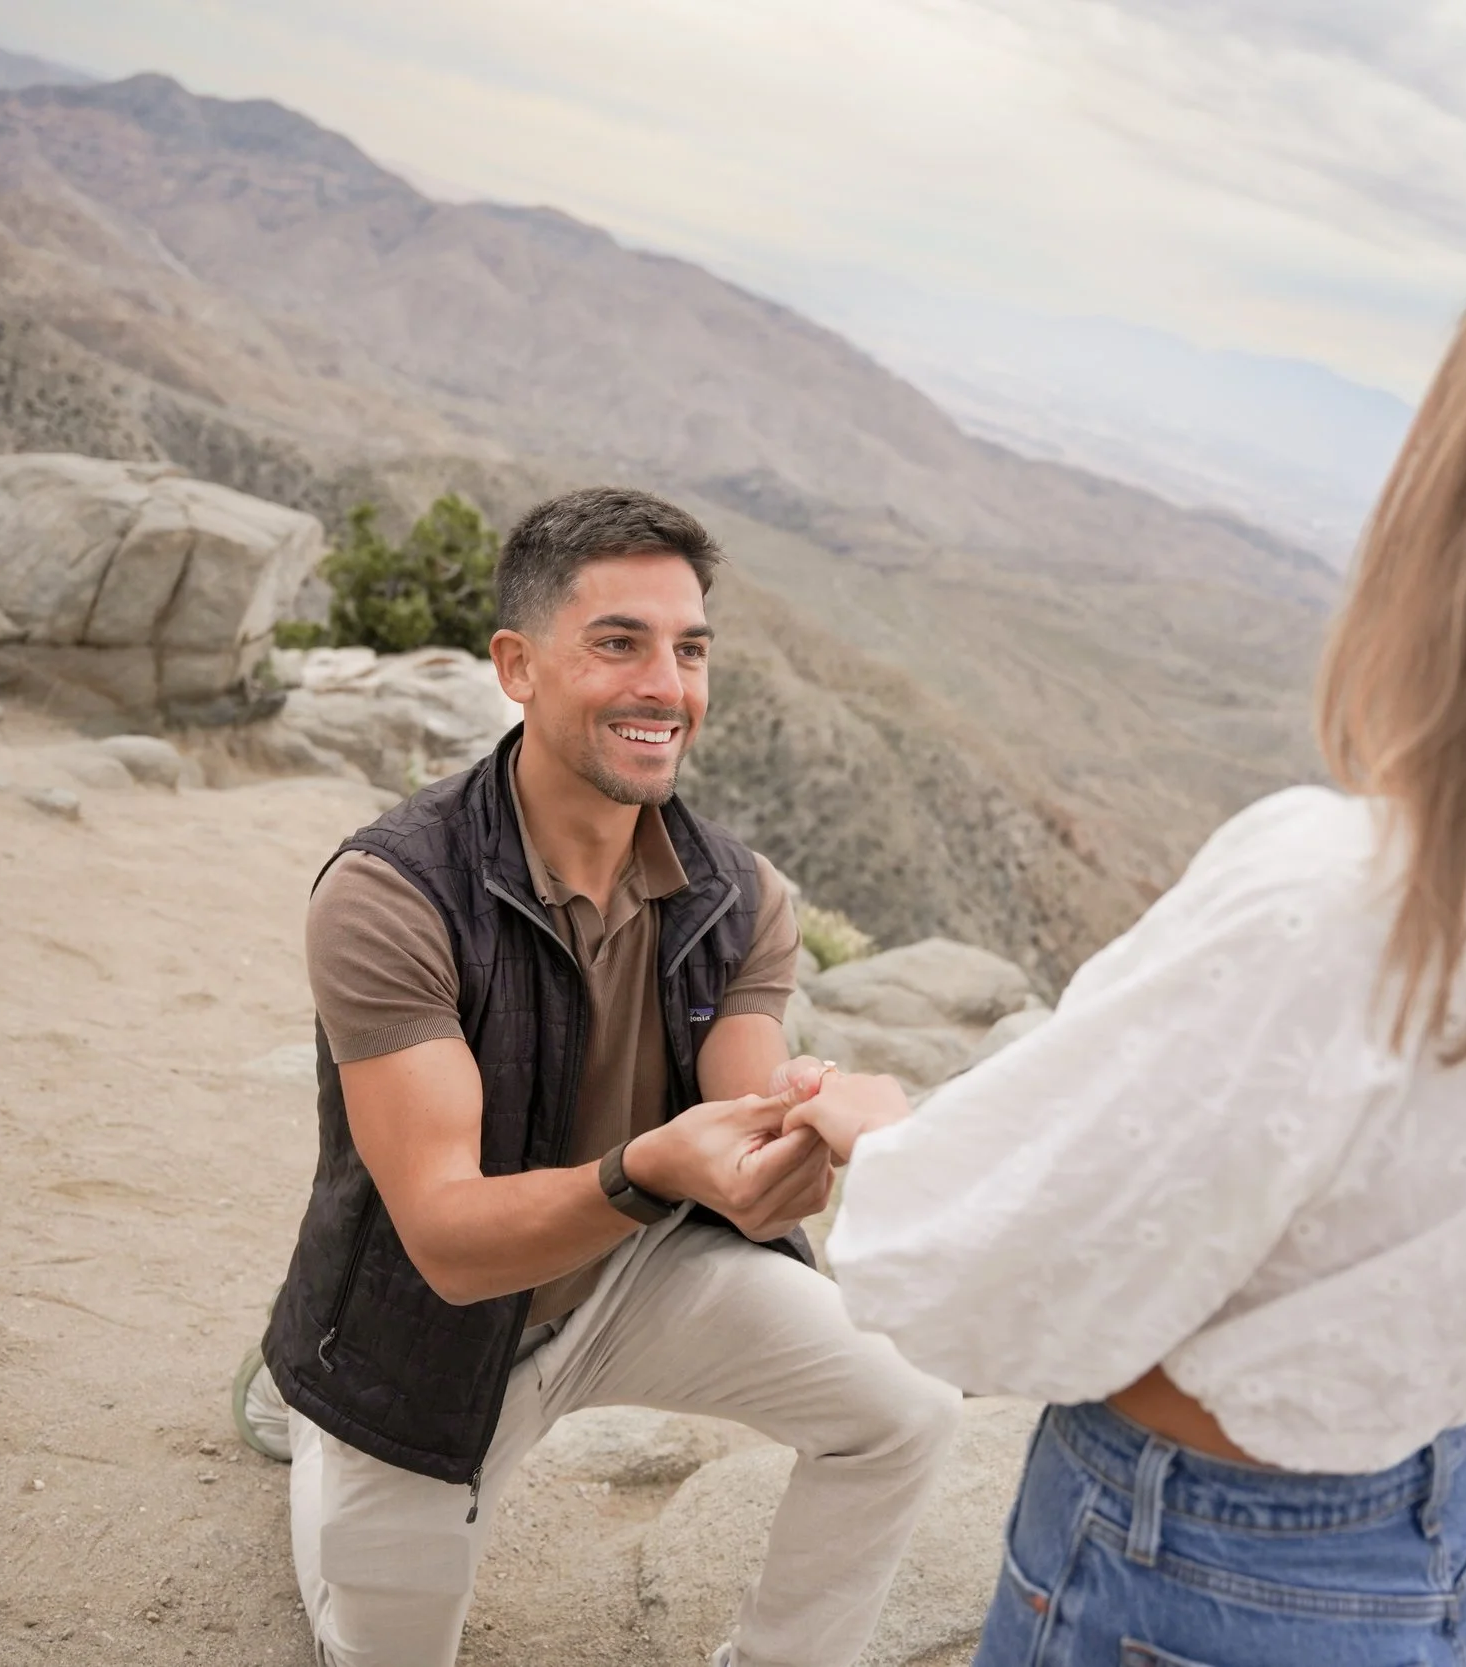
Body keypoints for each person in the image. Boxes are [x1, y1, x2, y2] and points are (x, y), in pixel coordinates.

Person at [786, 206, 1466, 1667]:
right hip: (1420, 1523)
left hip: (1187, 1561)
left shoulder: (1361, 895)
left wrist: (884, 1141)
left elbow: (990, 1272)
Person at [234, 485, 961, 1667]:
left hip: (631, 1277)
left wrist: (815, 1131)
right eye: (618, 642)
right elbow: (449, 1241)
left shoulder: (742, 895)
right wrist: (645, 1169)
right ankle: (311, 1409)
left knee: (907, 1411)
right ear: (517, 665)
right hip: (433, 1327)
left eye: (688, 650)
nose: (664, 686)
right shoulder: (392, 892)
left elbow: (747, 1119)